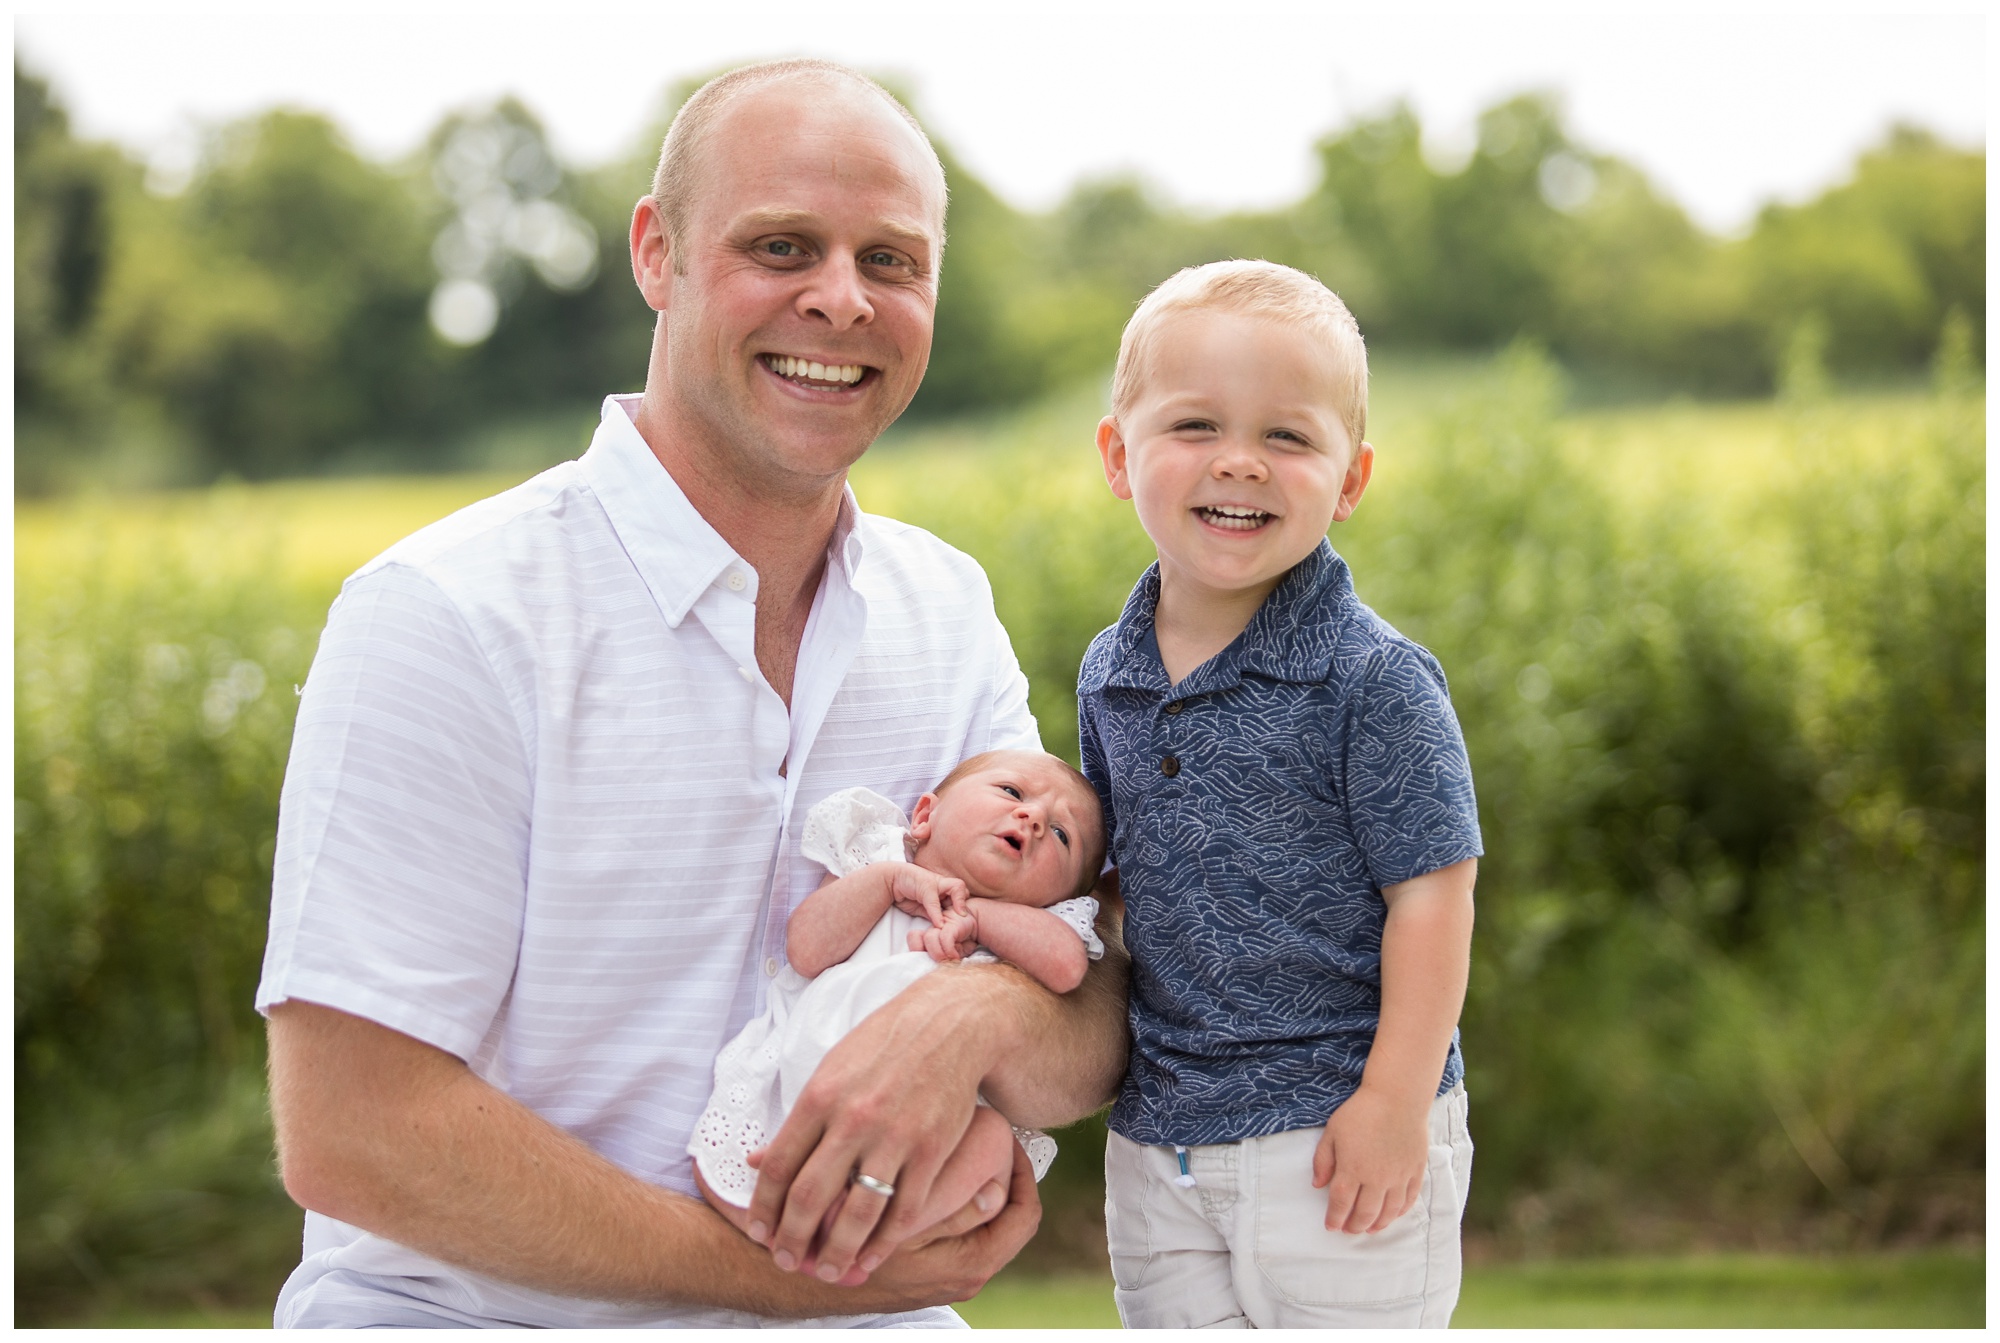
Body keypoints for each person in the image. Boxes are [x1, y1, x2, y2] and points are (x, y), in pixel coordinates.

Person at [256, 59, 1128, 1328]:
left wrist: (968, 1018)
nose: (840, 300)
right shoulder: (447, 614)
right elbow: (354, 1129)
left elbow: (1091, 1008)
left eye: (891, 262)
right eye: (782, 245)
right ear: (657, 255)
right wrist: (770, 1277)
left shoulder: (946, 609)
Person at [1076, 259, 1481, 1328]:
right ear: (1119, 456)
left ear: (1349, 479)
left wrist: (1394, 1102)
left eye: (1288, 437)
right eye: (1195, 425)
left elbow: (1433, 895)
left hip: (1338, 1129)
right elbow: (1119, 880)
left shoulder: (1372, 677)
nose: (1239, 463)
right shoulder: (1106, 673)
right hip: (1162, 1132)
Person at [690, 749, 1109, 1246]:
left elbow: (1066, 967)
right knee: (728, 1168)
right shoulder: (879, 858)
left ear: (1061, 897)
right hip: (807, 1071)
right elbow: (805, 950)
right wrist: (888, 883)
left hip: (932, 1122)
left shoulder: (1031, 928)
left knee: (992, 1143)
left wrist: (976, 917)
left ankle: (889, 1240)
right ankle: (785, 1245)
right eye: (1012, 793)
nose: (1034, 819)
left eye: (1063, 835)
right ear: (925, 816)